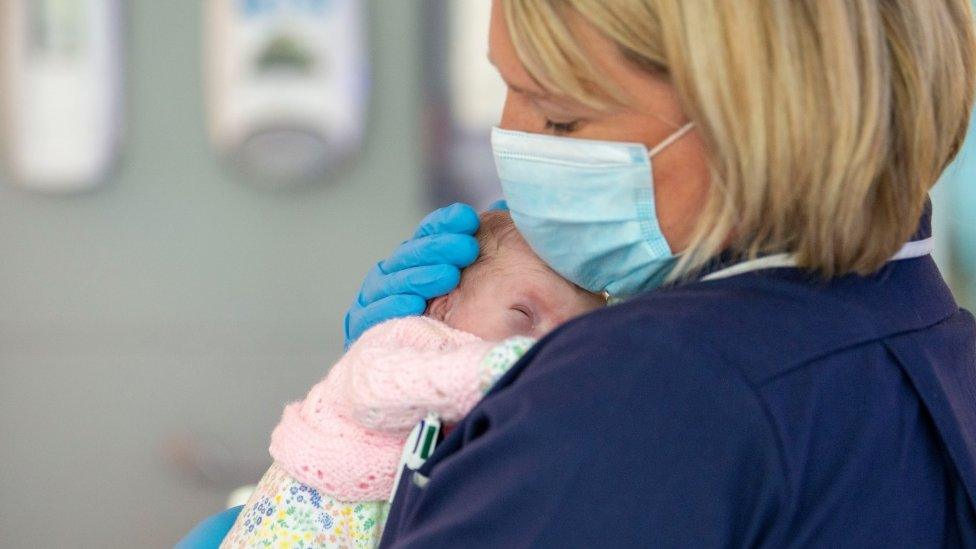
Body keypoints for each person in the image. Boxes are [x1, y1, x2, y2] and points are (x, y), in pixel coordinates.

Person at [181, 0, 976, 547]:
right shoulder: (929, 335)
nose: (514, 138)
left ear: (759, 122)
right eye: (510, 94)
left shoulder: (644, 386)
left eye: (561, 116)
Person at [219, 212, 603, 548]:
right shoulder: (415, 340)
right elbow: (372, 387)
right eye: (522, 314)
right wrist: (504, 364)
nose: (543, 346)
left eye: (569, 336)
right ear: (444, 306)